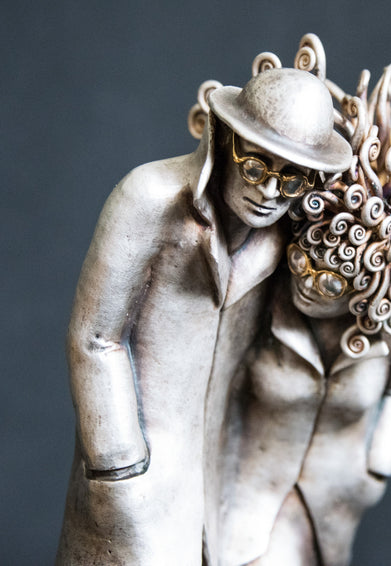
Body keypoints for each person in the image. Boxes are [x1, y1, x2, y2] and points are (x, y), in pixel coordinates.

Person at [56, 67, 352, 566]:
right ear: (225, 139)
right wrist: (119, 467)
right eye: (256, 166)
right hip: (136, 477)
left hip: (215, 484)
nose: (270, 191)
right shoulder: (149, 197)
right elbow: (95, 337)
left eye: (291, 177)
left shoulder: (282, 244)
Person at [218, 208, 391, 566]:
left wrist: (378, 469)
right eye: (303, 260)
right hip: (250, 486)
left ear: (369, 285)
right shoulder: (263, 302)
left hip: (339, 495)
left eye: (331, 282)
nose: (307, 282)